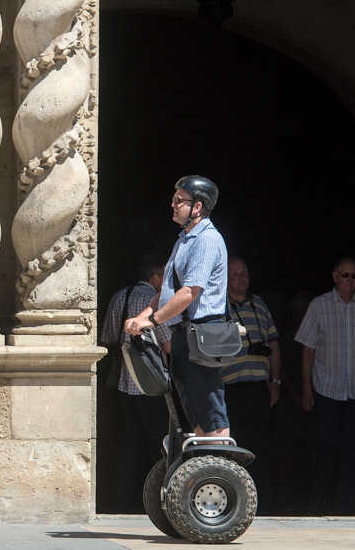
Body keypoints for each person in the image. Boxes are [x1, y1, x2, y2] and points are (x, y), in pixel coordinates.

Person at [126, 174, 230, 438]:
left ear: (197, 207)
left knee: (210, 411)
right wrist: (141, 318)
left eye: (179, 200)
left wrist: (153, 321)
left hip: (202, 333)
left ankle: (218, 459)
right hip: (183, 334)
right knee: (193, 408)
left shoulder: (207, 239)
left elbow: (188, 293)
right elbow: (167, 293)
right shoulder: (184, 240)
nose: (172, 204)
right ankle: (202, 459)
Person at [295, 257, 355, 511]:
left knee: (353, 451)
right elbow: (308, 350)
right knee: (325, 449)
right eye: (345, 275)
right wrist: (306, 388)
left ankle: (346, 506)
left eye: (354, 276)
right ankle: (322, 503)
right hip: (327, 389)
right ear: (335, 277)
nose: (350, 280)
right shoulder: (319, 305)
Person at [99, 253, 171, 512]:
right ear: (155, 278)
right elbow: (168, 345)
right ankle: (156, 502)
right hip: (151, 384)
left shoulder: (119, 297)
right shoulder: (155, 302)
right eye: (164, 277)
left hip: (122, 383)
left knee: (126, 445)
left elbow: (107, 338)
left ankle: (122, 501)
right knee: (156, 445)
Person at [221, 257, 280, 502]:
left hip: (259, 388)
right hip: (230, 388)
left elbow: (274, 345)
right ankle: (237, 499)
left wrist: (275, 382)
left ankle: (262, 499)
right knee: (234, 445)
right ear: (225, 278)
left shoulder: (259, 304)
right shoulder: (219, 305)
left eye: (244, 273)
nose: (241, 278)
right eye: (235, 274)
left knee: (261, 444)